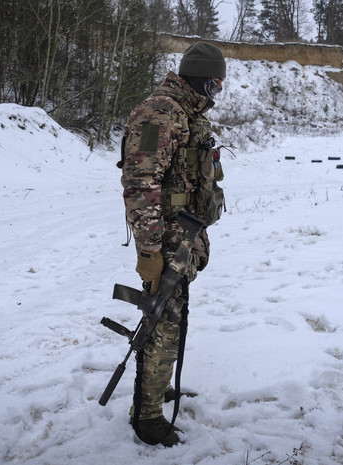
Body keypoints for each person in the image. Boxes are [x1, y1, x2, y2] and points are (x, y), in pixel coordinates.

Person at [119, 41, 227, 446]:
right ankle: (147, 416)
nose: (216, 94)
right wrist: (149, 251)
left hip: (183, 231)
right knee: (164, 320)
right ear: (201, 80)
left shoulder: (185, 113)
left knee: (171, 316)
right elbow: (140, 182)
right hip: (163, 236)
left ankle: (157, 384)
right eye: (214, 85)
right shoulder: (160, 113)